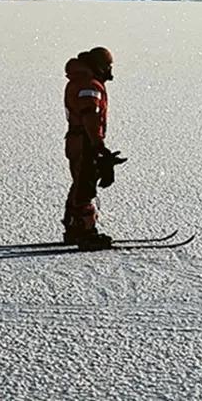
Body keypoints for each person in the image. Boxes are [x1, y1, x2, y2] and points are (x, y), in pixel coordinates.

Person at [61, 46, 126, 250]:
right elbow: (91, 116)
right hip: (84, 142)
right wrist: (98, 145)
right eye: (107, 66)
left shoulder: (79, 81)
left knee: (79, 182)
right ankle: (85, 232)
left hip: (76, 140)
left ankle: (73, 227)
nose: (110, 71)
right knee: (85, 186)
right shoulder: (90, 85)